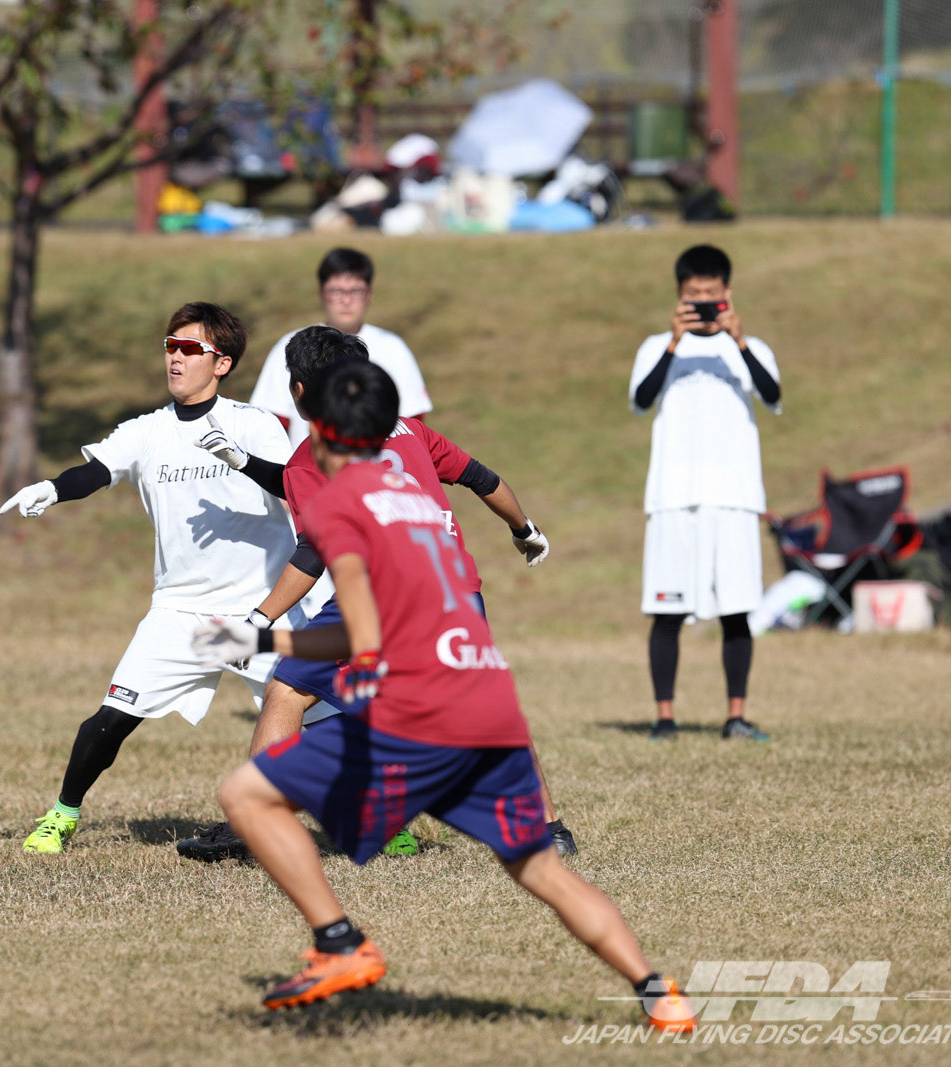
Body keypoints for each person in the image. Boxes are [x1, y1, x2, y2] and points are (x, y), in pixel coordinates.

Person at [190, 360, 695, 1030]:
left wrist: (258, 637)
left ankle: (339, 942)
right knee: (542, 871)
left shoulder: (345, 504)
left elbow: (360, 633)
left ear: (328, 433)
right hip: (488, 707)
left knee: (247, 795)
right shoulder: (423, 504)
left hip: (423, 714)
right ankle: (659, 992)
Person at [176, 325, 576, 862]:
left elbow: (314, 550)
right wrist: (524, 529)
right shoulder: (409, 430)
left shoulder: (313, 455)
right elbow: (483, 479)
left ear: (299, 392)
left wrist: (258, 619)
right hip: (453, 589)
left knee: (287, 693)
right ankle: (549, 830)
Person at [0, 302, 301, 854]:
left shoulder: (254, 424)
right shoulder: (147, 430)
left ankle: (387, 821)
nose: (175, 358)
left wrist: (241, 460)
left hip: (263, 607)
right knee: (111, 718)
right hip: (180, 610)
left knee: (328, 720)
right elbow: (96, 470)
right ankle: (62, 816)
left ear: (222, 364)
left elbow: (294, 486)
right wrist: (53, 488)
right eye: (170, 346)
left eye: (190, 348)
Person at [628, 245, 781, 743]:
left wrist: (739, 340)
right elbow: (641, 400)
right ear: (679, 294)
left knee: (737, 609)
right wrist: (675, 342)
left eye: (711, 293)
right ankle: (664, 718)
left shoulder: (750, 347)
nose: (703, 302)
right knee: (666, 609)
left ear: (728, 292)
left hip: (734, 495)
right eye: (693, 294)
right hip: (673, 495)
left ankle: (736, 716)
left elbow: (773, 395)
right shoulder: (657, 346)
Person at [248, 247, 431, 446]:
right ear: (321, 293)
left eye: (356, 291)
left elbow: (412, 422)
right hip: (308, 461)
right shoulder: (294, 344)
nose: (346, 300)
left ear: (369, 294)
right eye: (336, 291)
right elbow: (271, 421)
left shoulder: (393, 348)